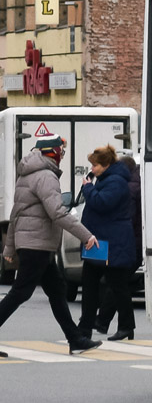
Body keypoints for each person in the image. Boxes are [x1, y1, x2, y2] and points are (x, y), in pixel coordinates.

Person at [0, 133, 103, 356]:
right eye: (61, 151)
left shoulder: (27, 175)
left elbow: (15, 214)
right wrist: (86, 236)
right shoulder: (46, 176)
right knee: (20, 293)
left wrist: (9, 247)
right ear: (53, 153)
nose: (62, 156)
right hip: (37, 245)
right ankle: (75, 338)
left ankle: (75, 339)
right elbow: (57, 213)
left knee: (57, 290)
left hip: (37, 245)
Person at [76, 145, 136, 342]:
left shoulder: (116, 182)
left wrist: (88, 188)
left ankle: (126, 326)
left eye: (95, 165)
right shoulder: (107, 179)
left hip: (111, 243)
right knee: (90, 284)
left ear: (106, 164)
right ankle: (85, 327)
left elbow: (102, 203)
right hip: (99, 241)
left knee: (117, 285)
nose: (92, 169)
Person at [95, 154, 141, 334]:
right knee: (117, 283)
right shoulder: (134, 185)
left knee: (116, 283)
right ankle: (112, 324)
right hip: (133, 242)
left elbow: (125, 218)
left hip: (129, 242)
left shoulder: (128, 189)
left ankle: (114, 324)